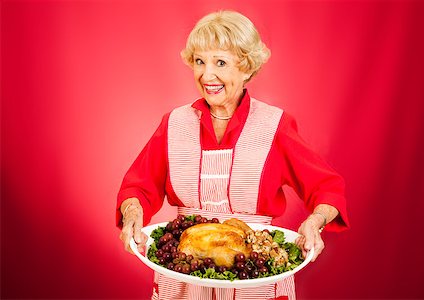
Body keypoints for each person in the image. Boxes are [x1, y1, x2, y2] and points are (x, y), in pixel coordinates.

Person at [117, 10, 349, 300]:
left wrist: (315, 222)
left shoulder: (275, 126)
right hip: (183, 280)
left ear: (247, 68)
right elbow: (138, 187)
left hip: (255, 277)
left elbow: (327, 188)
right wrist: (133, 214)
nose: (207, 74)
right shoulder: (174, 123)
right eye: (200, 61)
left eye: (221, 63)